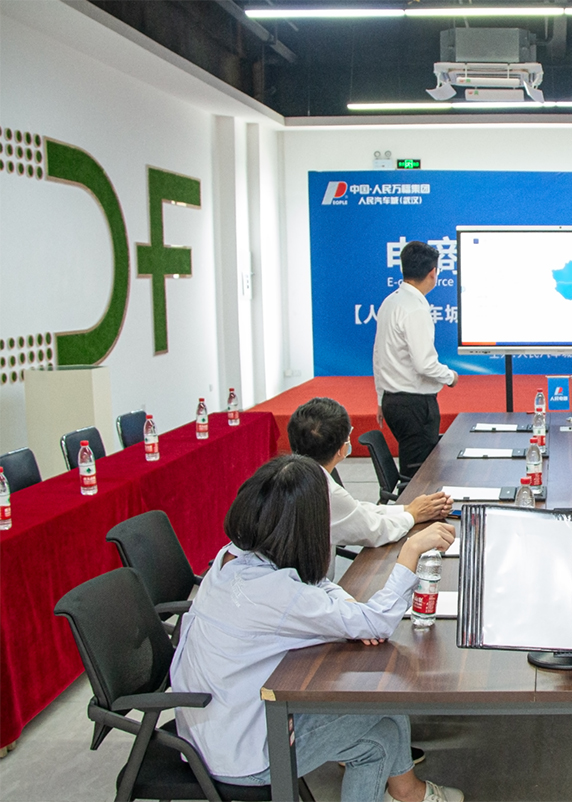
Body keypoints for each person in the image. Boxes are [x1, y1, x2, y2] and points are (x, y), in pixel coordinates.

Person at [170, 455, 464, 802]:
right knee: (378, 731)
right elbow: (377, 623)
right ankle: (408, 793)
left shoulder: (233, 556)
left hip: (217, 719)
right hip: (243, 750)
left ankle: (407, 793)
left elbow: (314, 584)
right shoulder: (276, 593)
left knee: (381, 704)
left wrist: (348, 610)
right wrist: (411, 550)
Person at [287, 397, 453, 579]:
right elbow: (375, 531)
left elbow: (355, 509)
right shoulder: (323, 491)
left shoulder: (292, 474)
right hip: (306, 588)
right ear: (342, 449)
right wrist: (413, 515)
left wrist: (407, 509)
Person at [374, 240, 458, 474]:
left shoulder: (390, 302)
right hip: (414, 405)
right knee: (420, 477)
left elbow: (378, 355)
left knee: (415, 469)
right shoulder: (415, 309)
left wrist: (381, 397)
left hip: (393, 400)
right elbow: (424, 364)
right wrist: (450, 377)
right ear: (433, 272)